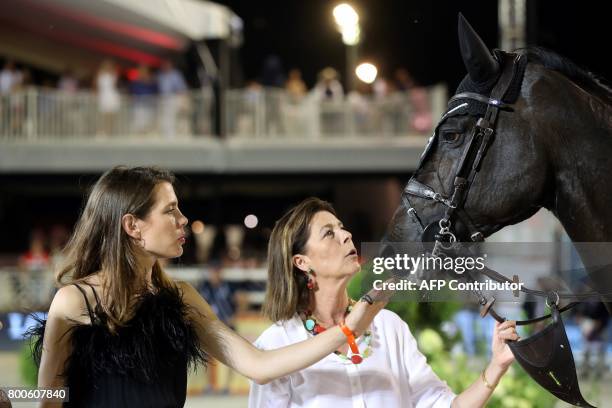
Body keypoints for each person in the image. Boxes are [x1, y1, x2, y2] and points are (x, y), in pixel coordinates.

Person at [30, 166, 387, 407]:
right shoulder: (73, 302)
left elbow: (259, 366)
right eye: (170, 210)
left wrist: (347, 329)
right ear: (132, 226)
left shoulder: (180, 298)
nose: (183, 219)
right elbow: (48, 398)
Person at [249, 197, 519, 407]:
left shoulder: (389, 327)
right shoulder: (277, 344)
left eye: (342, 228)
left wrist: (496, 366)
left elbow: (445, 405)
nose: (346, 235)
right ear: (301, 262)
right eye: (328, 233)